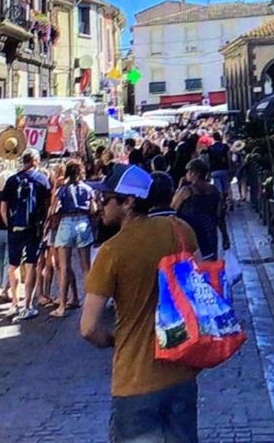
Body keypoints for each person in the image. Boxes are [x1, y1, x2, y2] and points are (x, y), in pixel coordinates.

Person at [81, 164, 202, 443]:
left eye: (107, 199)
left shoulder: (112, 251)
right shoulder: (178, 229)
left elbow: (88, 328)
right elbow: (199, 284)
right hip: (181, 371)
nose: (101, 205)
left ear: (128, 202)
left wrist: (113, 340)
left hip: (135, 380)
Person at [1, 149, 52, 321]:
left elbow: (3, 208)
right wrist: (44, 225)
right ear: (35, 161)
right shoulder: (42, 180)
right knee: (31, 265)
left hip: (15, 228)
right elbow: (48, 205)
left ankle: (14, 302)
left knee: (13, 265)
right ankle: (28, 304)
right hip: (34, 229)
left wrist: (10, 225)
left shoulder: (11, 180)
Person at [50, 161, 95, 318]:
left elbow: (53, 209)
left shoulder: (62, 190)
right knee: (86, 267)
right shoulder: (88, 189)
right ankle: (90, 304)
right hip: (83, 222)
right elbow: (93, 209)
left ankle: (62, 305)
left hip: (66, 223)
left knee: (64, 266)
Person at [172, 158, 230, 260]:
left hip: (191, 235)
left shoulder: (186, 191)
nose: (186, 174)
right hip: (210, 234)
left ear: (195, 173)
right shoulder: (214, 191)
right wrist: (225, 235)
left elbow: (172, 210)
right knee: (210, 268)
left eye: (188, 171)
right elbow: (220, 215)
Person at [206, 132, 231, 199]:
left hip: (214, 170)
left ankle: (220, 202)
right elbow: (228, 158)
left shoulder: (210, 148)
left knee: (218, 188)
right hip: (224, 169)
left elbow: (208, 160)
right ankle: (229, 201)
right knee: (226, 187)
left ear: (213, 138)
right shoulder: (225, 146)